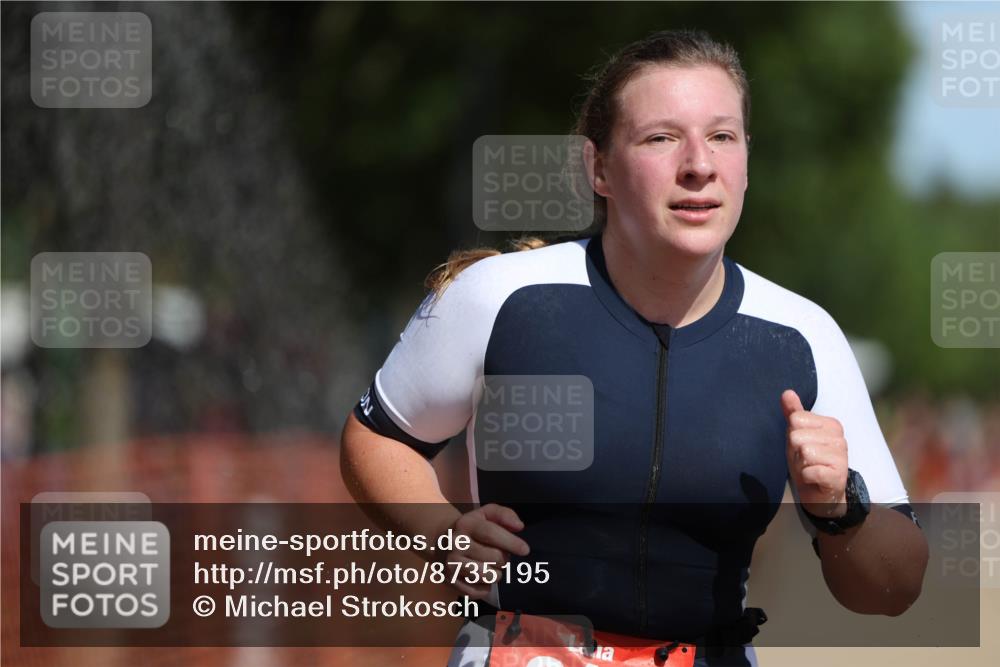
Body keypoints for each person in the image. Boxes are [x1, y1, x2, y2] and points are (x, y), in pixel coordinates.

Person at [341, 29, 929, 667]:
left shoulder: (802, 336)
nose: (698, 164)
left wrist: (844, 510)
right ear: (597, 168)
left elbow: (896, 588)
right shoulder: (501, 298)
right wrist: (441, 532)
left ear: (746, 160)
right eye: (661, 137)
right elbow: (377, 436)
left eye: (722, 136)